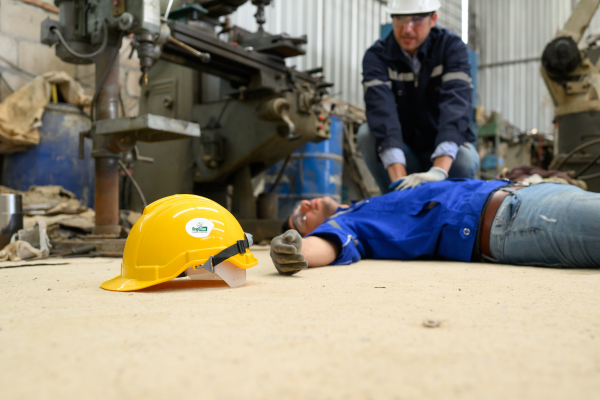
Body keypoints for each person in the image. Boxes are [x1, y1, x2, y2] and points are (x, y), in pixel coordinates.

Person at [271, 179, 600, 275]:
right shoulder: (349, 222)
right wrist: (296, 248)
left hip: (534, 192)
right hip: (516, 220)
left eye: (299, 209)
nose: (304, 207)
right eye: (300, 220)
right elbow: (331, 243)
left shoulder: (367, 203)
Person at [359, 0, 480, 194]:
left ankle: (453, 204)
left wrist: (439, 171)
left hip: (442, 150)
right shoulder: (377, 57)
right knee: (367, 134)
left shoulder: (451, 48)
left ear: (433, 19)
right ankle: (394, 198)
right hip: (404, 152)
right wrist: (400, 185)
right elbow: (382, 113)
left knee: (465, 158)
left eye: (416, 19)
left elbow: (456, 106)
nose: (407, 29)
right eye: (400, 19)